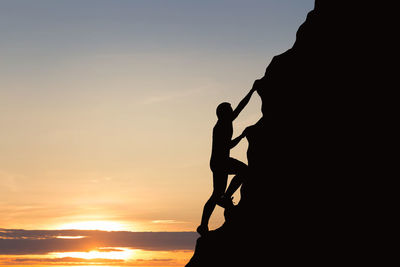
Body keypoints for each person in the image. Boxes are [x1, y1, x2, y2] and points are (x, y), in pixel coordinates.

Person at [197, 81, 260, 236]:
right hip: (220, 162)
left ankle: (204, 223)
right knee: (243, 172)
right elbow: (228, 145)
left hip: (220, 161)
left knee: (217, 193)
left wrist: (252, 92)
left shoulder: (225, 122)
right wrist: (242, 136)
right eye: (229, 109)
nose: (233, 111)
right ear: (223, 113)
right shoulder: (221, 126)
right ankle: (208, 219)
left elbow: (240, 107)